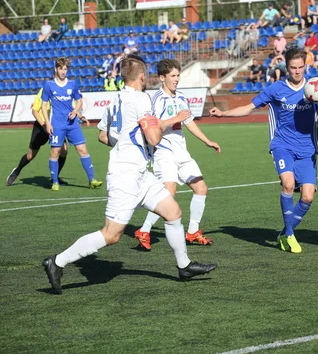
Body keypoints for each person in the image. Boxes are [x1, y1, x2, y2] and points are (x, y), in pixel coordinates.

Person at [42, 55, 217, 295]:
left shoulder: (115, 101)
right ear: (143, 77)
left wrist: (126, 141)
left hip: (139, 173)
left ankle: (184, 266)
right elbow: (154, 138)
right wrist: (172, 121)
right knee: (111, 235)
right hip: (125, 176)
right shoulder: (141, 98)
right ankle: (57, 262)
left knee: (173, 212)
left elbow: (103, 136)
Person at [209, 48, 318, 254]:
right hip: (282, 145)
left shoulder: (314, 88)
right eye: (293, 68)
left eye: (300, 67)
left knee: (308, 197)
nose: (297, 72)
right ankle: (289, 235)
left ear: (306, 66)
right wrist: (223, 113)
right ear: (286, 68)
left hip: (307, 149)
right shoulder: (276, 89)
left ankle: (285, 233)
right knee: (287, 183)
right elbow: (249, 107)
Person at [134, 59, 221, 250]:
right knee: (168, 194)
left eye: (178, 75)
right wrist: (177, 118)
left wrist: (207, 141)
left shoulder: (181, 97)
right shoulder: (156, 99)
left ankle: (192, 231)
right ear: (162, 78)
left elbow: (189, 122)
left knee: (201, 188)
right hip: (164, 153)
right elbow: (153, 127)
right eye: (172, 76)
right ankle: (144, 229)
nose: (176, 79)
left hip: (181, 152)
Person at [41, 57, 102, 191]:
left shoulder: (72, 84)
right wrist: (47, 123)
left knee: (83, 150)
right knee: (55, 152)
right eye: (61, 69)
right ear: (55, 69)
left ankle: (92, 180)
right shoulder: (49, 85)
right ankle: (55, 182)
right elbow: (44, 104)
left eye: (65, 69)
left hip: (72, 124)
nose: (63, 72)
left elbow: (79, 100)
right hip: (56, 124)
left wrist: (75, 111)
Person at [6, 87, 71, 186]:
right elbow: (34, 111)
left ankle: (55, 177)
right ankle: (17, 171)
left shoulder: (64, 91)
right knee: (30, 155)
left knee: (64, 150)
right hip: (41, 126)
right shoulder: (44, 90)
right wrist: (44, 125)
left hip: (56, 127)